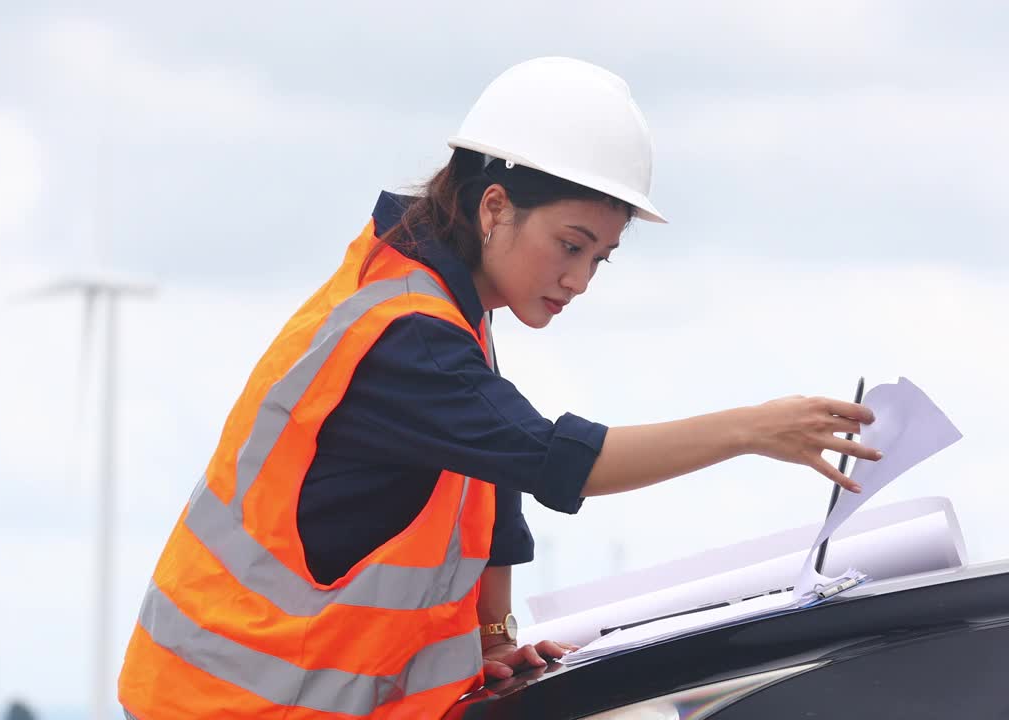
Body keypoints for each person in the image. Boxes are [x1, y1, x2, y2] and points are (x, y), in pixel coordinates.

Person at [117, 57, 881, 720]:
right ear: (493, 208)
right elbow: (552, 459)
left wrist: (492, 639)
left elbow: (490, 487)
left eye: (601, 259)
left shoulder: (440, 307)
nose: (579, 280)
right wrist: (752, 430)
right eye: (570, 246)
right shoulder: (408, 336)